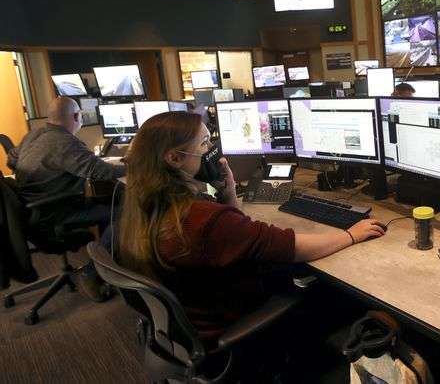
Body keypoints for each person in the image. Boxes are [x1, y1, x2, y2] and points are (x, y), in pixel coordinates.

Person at [118, 111, 385, 349]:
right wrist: (351, 234)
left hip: (198, 319)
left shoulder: (150, 206)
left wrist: (228, 193)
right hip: (234, 322)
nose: (213, 150)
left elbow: (235, 234)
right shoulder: (203, 220)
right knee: (336, 293)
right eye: (204, 143)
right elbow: (292, 247)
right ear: (175, 158)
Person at [8, 96, 126, 300]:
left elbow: (12, 159)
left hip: (34, 209)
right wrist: (136, 165)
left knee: (110, 202)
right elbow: (102, 172)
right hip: (57, 211)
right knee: (124, 214)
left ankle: (109, 262)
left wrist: (38, 170)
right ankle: (92, 272)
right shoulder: (65, 142)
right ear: (76, 116)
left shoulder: (34, 134)